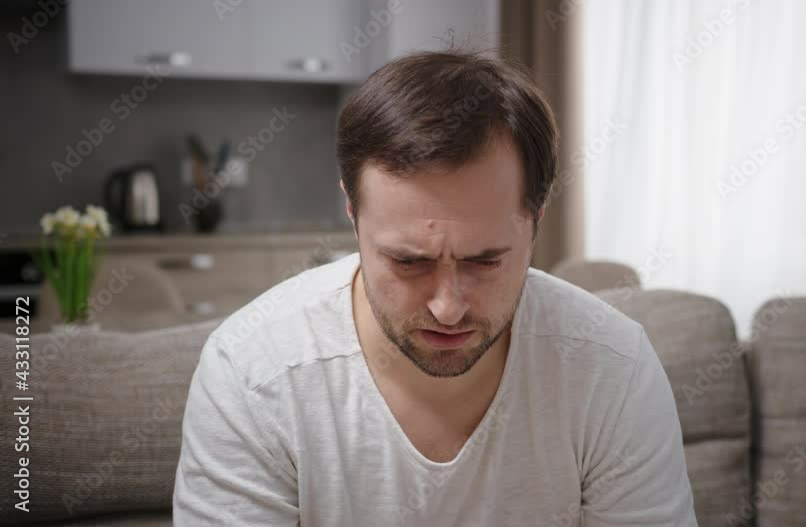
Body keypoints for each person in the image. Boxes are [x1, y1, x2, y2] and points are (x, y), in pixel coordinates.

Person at [173, 49, 697, 526]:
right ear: (352, 213)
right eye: (409, 262)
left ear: (536, 220)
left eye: (484, 261)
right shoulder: (252, 374)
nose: (447, 307)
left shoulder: (613, 370)